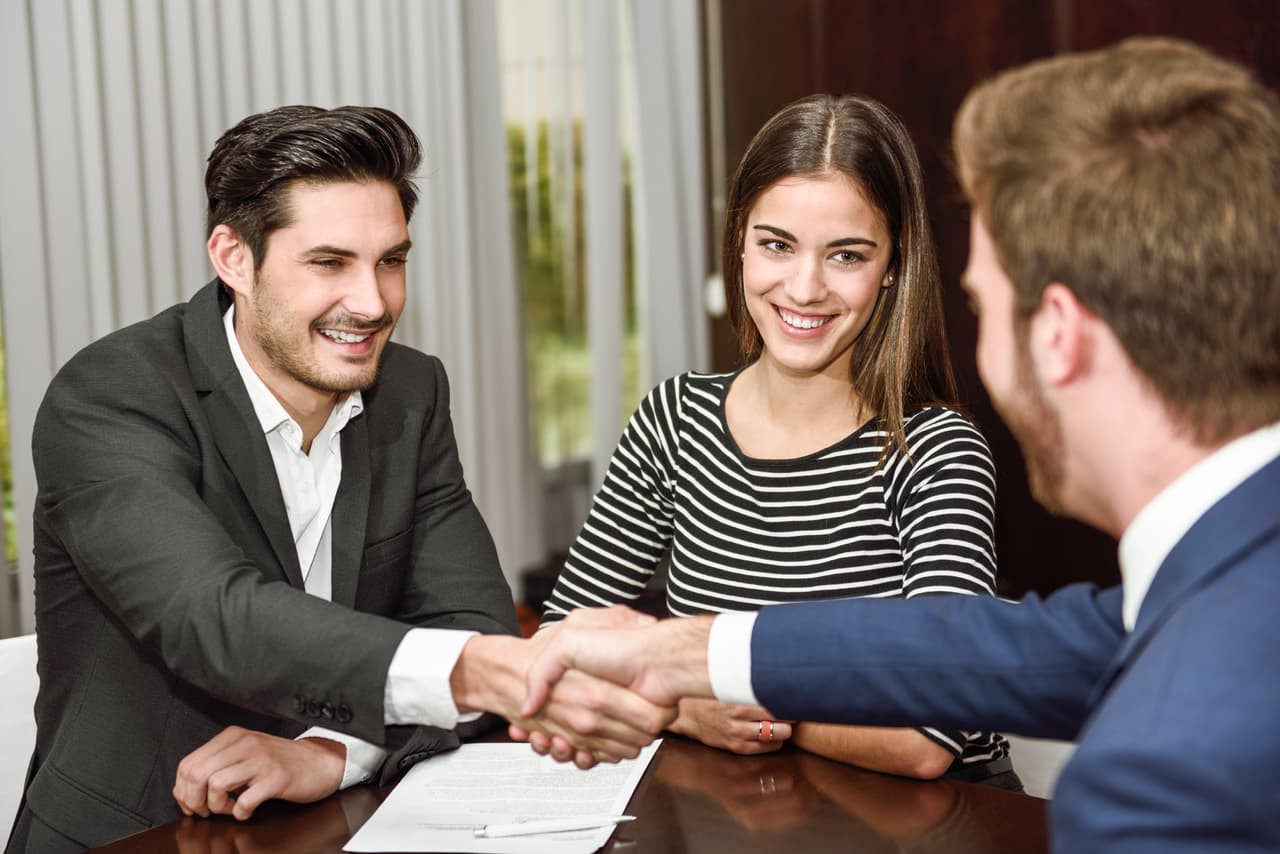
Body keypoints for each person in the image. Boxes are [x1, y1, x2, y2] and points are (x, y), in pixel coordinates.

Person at [523, 36, 1280, 852]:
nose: (806, 284)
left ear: (1055, 335)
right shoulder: (1204, 586)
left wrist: (706, 688)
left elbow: (947, 714)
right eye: (777, 243)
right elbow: (1019, 648)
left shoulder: (1160, 780)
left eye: (981, 306)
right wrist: (694, 666)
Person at [7, 105, 669, 854]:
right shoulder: (112, 394)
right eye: (330, 263)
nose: (373, 303)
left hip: (336, 823)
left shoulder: (410, 394)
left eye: (391, 260)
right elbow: (211, 616)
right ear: (233, 257)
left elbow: (469, 623)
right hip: (140, 831)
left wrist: (334, 751)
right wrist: (486, 670)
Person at [540, 93, 1015, 786]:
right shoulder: (674, 421)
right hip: (741, 818)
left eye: (846, 254)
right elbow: (561, 645)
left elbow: (926, 736)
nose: (804, 287)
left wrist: (744, 695)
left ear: (892, 263)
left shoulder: (938, 453)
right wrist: (686, 711)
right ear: (739, 239)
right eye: (777, 245)